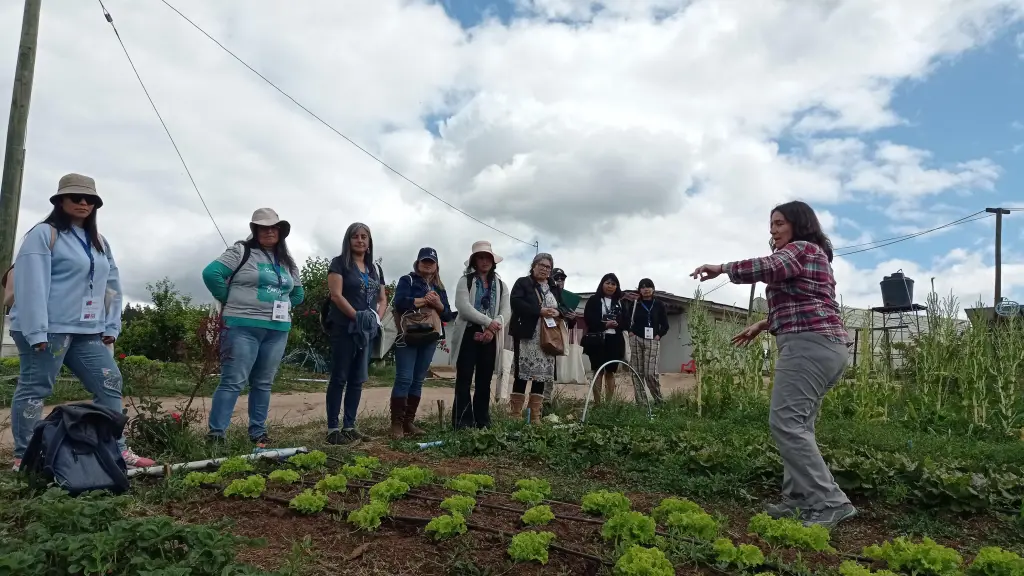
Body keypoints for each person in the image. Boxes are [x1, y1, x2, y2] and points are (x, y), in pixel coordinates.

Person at [690, 200, 854, 529]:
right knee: (799, 426)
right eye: (771, 224)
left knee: (786, 424)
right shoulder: (812, 256)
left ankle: (830, 501)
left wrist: (722, 268)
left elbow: (769, 267)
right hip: (824, 346)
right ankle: (799, 498)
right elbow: (807, 300)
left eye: (779, 223)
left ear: (798, 223)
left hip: (808, 346)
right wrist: (763, 324)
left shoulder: (802, 249)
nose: (772, 229)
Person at [7, 173, 154, 470]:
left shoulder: (99, 241)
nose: (84, 203)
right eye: (76, 197)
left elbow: (111, 285)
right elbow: (30, 283)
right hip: (48, 330)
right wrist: (37, 331)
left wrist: (111, 325)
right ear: (61, 200)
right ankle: (25, 456)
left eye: (90, 199)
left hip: (87, 330)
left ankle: (116, 448)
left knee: (110, 382)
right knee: (36, 388)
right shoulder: (44, 234)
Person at [202, 208, 304, 447]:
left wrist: (287, 304)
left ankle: (258, 432)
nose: (269, 231)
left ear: (281, 231)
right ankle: (217, 434)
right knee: (233, 380)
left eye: (274, 227)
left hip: (277, 330)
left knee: (263, 382)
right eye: (263, 227)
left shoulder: (288, 262)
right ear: (255, 230)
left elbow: (298, 292)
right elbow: (211, 273)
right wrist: (229, 298)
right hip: (241, 326)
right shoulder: (241, 252)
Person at [325, 222, 387, 445]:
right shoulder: (339, 263)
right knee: (340, 377)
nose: (360, 240)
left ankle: (349, 425)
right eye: (355, 236)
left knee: (357, 379)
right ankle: (333, 428)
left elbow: (382, 298)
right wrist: (357, 317)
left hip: (366, 332)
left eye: (364, 237)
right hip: (345, 327)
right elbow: (336, 295)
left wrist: (376, 318)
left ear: (369, 242)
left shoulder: (374, 269)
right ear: (348, 240)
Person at [390, 247, 453, 438]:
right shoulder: (407, 280)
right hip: (408, 335)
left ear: (436, 266)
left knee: (418, 380)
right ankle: (396, 424)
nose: (427, 264)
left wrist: (438, 304)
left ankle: (409, 421)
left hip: (430, 337)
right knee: (404, 378)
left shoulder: (440, 288)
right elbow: (399, 302)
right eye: (424, 260)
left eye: (431, 261)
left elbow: (448, 314)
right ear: (417, 263)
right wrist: (423, 300)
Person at [449, 241, 511, 430]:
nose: (484, 261)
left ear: (493, 261)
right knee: (465, 378)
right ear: (474, 261)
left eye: (488, 258)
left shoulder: (501, 285)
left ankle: (482, 421)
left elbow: (506, 310)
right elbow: (463, 306)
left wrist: (493, 328)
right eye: (480, 257)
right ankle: (462, 422)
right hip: (469, 332)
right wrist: (487, 322)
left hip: (491, 335)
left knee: (484, 380)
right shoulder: (465, 280)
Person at [508, 253, 570, 424]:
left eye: (548, 267)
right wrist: (539, 311)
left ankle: (534, 416)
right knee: (522, 374)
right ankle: (515, 416)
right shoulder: (523, 283)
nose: (544, 269)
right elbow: (516, 303)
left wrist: (558, 312)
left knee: (541, 376)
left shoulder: (554, 288)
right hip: (527, 334)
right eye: (541, 265)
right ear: (533, 265)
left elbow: (565, 307)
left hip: (548, 336)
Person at [581, 273, 627, 404]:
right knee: (598, 371)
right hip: (598, 340)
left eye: (613, 284)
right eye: (607, 283)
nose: (610, 286)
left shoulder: (620, 302)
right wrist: (604, 324)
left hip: (615, 341)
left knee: (610, 372)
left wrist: (619, 324)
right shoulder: (594, 300)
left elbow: (627, 321)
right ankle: (597, 403)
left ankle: (609, 403)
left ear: (617, 287)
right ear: (602, 284)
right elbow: (588, 318)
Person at [623, 278, 670, 404]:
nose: (646, 289)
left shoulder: (659, 304)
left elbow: (665, 325)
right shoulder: (634, 304)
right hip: (636, 339)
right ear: (639, 290)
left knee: (650, 373)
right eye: (643, 287)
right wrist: (630, 332)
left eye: (648, 286)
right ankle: (642, 403)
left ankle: (659, 400)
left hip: (652, 340)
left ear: (653, 289)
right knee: (637, 373)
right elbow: (626, 319)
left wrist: (659, 335)